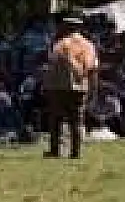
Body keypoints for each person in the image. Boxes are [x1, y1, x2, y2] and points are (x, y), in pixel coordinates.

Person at [42, 12, 99, 159]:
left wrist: (47, 86)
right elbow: (93, 68)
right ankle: (75, 152)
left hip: (59, 87)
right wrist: (93, 88)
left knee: (55, 120)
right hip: (80, 87)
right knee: (77, 120)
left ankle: (55, 150)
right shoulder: (88, 45)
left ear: (65, 27)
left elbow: (53, 65)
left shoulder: (60, 44)